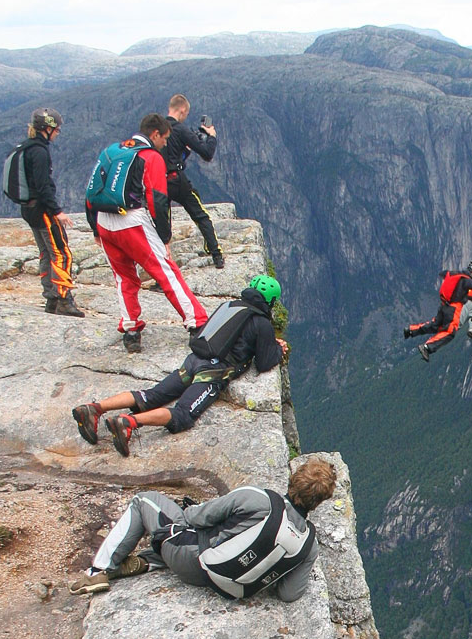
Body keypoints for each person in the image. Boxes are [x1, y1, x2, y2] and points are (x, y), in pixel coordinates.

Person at [71, 273, 287, 457]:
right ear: (270, 301)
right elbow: (265, 362)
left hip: (192, 361)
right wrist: (278, 348)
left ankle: (95, 408)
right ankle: (129, 423)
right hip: (211, 373)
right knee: (182, 415)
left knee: (151, 396)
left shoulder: (229, 306)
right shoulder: (261, 323)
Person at [68, 455, 337, 600]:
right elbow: (290, 594)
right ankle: (148, 562)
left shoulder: (258, 498)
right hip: (230, 586)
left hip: (192, 559)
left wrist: (187, 509)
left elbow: (198, 517)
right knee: (189, 538)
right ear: (320, 502)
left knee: (144, 502)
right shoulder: (308, 544)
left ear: (292, 481)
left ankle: (98, 571)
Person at [87, 112, 208, 353]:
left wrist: (95, 229)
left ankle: (131, 329)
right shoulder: (150, 157)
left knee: (124, 277)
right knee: (165, 271)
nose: (165, 143)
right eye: (164, 138)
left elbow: (92, 188)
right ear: (154, 134)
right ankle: (197, 323)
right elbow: (158, 199)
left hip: (103, 220)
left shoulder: (112, 150)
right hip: (132, 221)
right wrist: (164, 237)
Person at [18, 107, 84, 317]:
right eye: (56, 129)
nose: (57, 133)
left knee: (46, 253)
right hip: (43, 210)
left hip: (29, 209)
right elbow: (43, 185)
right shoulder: (39, 152)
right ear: (47, 128)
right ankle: (64, 299)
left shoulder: (27, 148)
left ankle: (51, 298)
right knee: (61, 253)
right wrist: (57, 211)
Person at [165, 95, 224, 268]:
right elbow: (207, 153)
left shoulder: (155, 129)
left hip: (157, 182)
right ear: (182, 110)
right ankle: (216, 255)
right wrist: (211, 136)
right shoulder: (181, 130)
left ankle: (164, 270)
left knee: (163, 224)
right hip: (177, 179)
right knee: (200, 215)